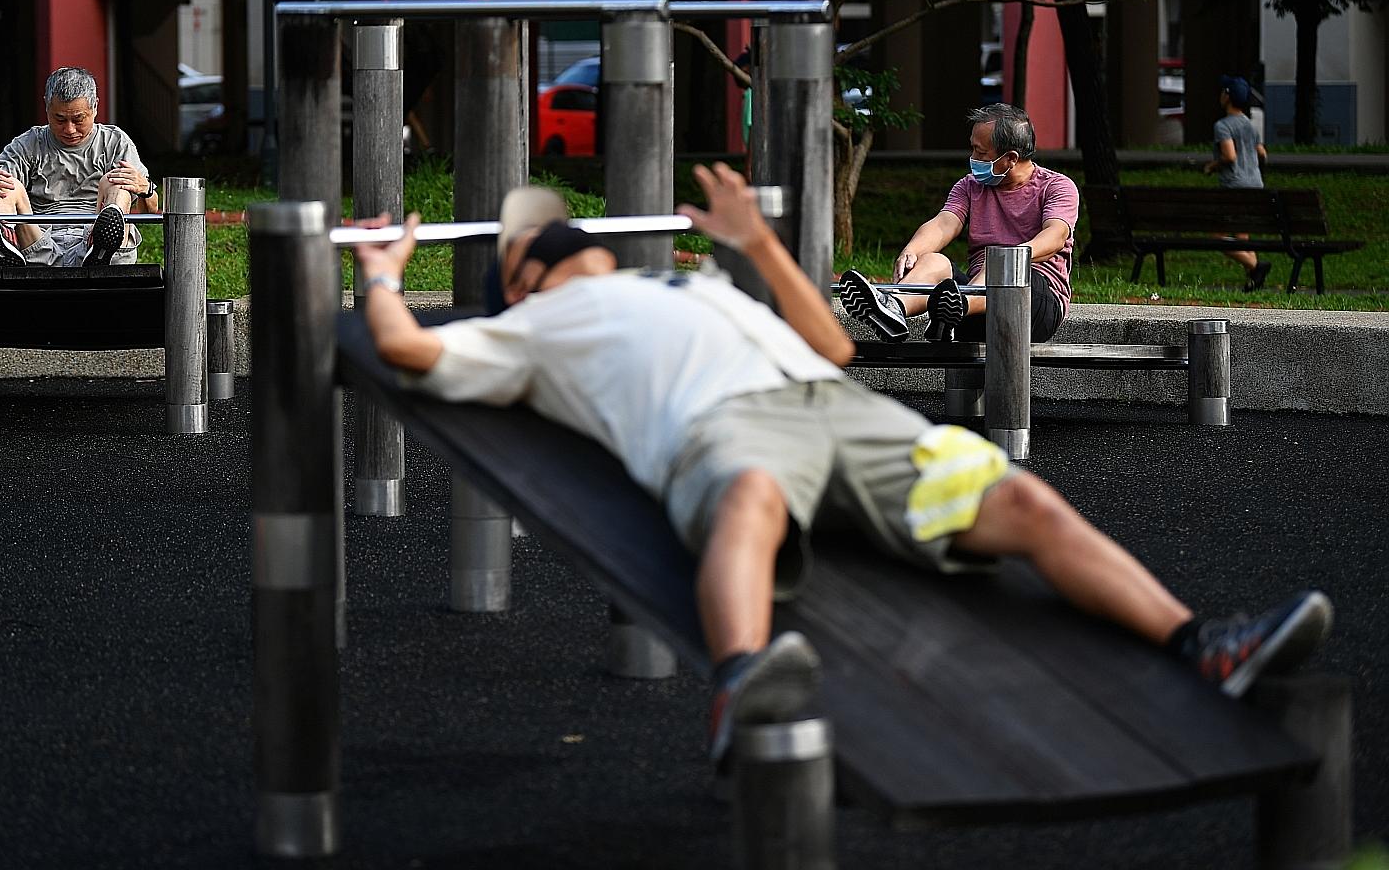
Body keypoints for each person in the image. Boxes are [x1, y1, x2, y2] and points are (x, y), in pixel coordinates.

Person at [352, 163, 1331, 772]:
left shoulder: (693, 289)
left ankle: (1202, 642)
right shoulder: (524, 330)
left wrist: (757, 245)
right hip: (722, 427)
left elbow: (832, 345)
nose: (568, 252)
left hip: (837, 411)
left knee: (1022, 497)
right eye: (547, 250)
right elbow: (406, 349)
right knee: (748, 495)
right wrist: (384, 280)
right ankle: (740, 680)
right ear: (521, 282)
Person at [837, 103, 1077, 345]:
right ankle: (894, 308)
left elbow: (1055, 235)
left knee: (1000, 265)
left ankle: (954, 311)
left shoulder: (1056, 186)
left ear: (1011, 158)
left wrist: (1010, 259)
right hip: (976, 303)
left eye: (980, 153)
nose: (973, 159)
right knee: (933, 260)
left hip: (1035, 306)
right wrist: (913, 250)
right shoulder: (970, 185)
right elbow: (944, 223)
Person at [0, 66, 156, 268]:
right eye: (60, 119)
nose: (69, 129)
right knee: (5, 183)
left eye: (78, 119)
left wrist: (146, 188)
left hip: (93, 242)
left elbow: (150, 211)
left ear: (95, 108)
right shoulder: (28, 144)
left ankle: (102, 248)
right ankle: (5, 240)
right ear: (47, 107)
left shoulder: (115, 141)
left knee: (116, 180)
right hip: (38, 243)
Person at [1203, 74, 1272, 292]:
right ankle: (1254, 281)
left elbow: (1230, 156)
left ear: (1227, 97)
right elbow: (1262, 154)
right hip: (1255, 185)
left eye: (1223, 91)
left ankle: (1255, 266)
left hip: (1235, 187)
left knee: (1217, 236)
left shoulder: (1223, 125)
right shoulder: (1250, 126)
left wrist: (1212, 166)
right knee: (1243, 236)